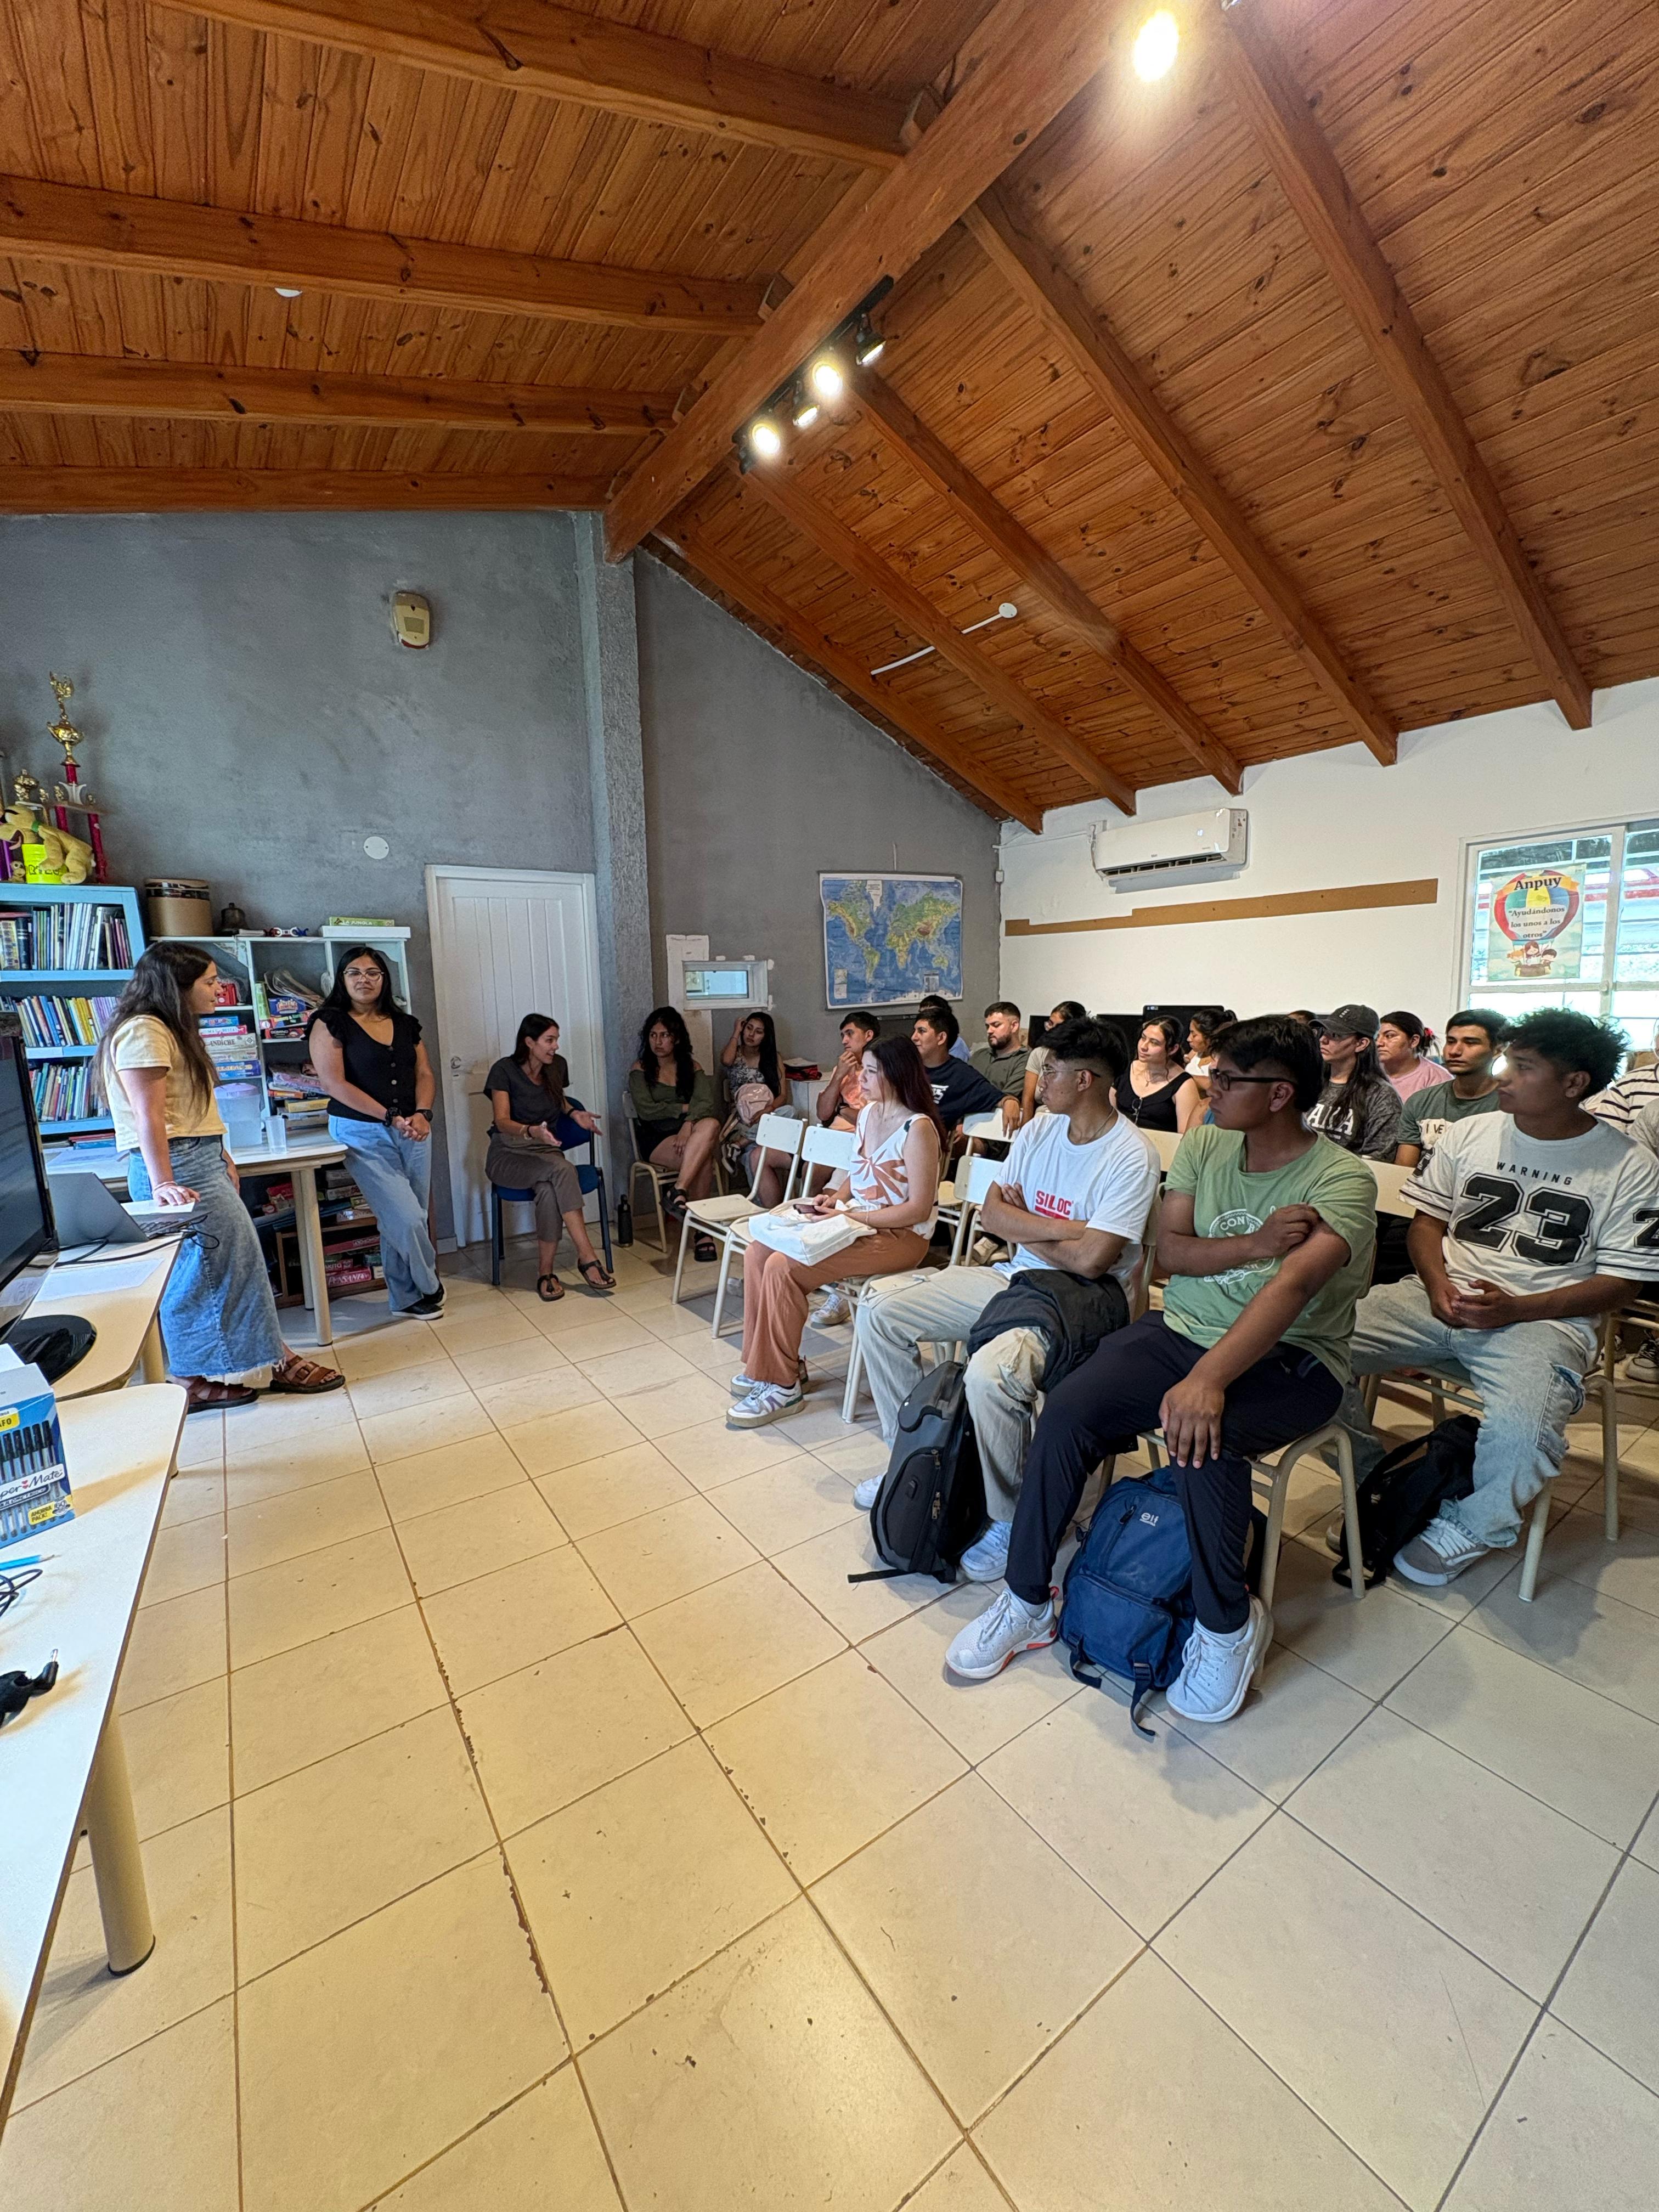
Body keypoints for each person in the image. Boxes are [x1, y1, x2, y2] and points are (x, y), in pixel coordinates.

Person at [945, 1014, 1376, 1726]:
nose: (1211, 1086)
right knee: (1069, 1408)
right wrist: (1256, 1244)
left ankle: (1226, 1624)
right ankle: (1026, 1597)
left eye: (1228, 1078)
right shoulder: (1208, 1140)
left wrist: (1209, 1380)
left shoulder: (1342, 1179)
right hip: (1183, 1330)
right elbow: (1170, 1252)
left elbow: (1293, 1288)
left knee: (1202, 1436)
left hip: (1295, 1356)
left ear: (1279, 1094)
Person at [1336, 1009, 1659, 1587]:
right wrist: (1437, 1283)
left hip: (1545, 1320)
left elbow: (1624, 1283)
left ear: (1574, 1083)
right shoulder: (1472, 1133)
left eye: (1524, 1067)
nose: (1504, 1076)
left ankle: (1476, 1524)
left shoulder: (1630, 1165)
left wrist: (1517, 1308)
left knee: (1524, 1432)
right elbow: (1426, 1225)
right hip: (1437, 1296)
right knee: (1306, 1343)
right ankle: (1371, 1475)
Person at [853, 1017, 1159, 1578]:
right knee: (878, 1308)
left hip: (1080, 1300)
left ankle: (1009, 1515)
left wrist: (1029, 1225)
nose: (1039, 1081)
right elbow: (992, 1216)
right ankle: (913, 1458)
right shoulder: (1041, 1130)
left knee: (990, 1375)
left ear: (1086, 1080)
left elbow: (1094, 1263)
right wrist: (1070, 1229)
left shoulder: (1131, 1154)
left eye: (1052, 1071)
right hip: (1014, 1276)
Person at [98, 943, 344, 1411]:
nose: (218, 990)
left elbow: (189, 1108)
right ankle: (221, 1371)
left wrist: (222, 1153)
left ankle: (242, 1364)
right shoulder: (145, 1030)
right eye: (209, 982)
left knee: (228, 1264)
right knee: (206, 1271)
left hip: (198, 1157)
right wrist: (163, 1182)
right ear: (177, 986)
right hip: (178, 1165)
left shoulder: (172, 1029)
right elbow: (150, 1117)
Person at [728, 1036, 944, 1429]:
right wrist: (835, 1200)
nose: (861, 1079)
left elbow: (919, 1208)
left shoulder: (919, 1128)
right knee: (759, 1252)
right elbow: (856, 1175)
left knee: (783, 1267)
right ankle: (770, 1366)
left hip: (900, 1237)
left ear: (896, 1075)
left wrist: (858, 1217)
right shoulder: (869, 1114)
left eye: (871, 1072)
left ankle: (783, 1384)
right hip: (858, 1222)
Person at [308, 946, 445, 1318]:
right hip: (361, 1132)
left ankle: (405, 1299)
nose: (364, 979)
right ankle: (429, 1283)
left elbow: (425, 1073)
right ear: (342, 979)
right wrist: (389, 1116)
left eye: (373, 973)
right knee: (407, 1217)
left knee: (405, 1215)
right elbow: (334, 1084)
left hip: (414, 1129)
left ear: (384, 979)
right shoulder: (329, 1022)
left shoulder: (405, 1023)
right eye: (354, 972)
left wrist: (423, 1113)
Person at [483, 1013, 614, 1302]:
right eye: (549, 1040)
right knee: (563, 1170)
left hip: (546, 1152)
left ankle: (546, 1273)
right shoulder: (504, 1070)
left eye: (556, 1040)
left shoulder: (557, 1066)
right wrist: (531, 1131)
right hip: (509, 1152)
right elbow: (502, 1121)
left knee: (548, 1189)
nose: (555, 1046)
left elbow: (557, 1098)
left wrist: (573, 1113)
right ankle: (587, 1257)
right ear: (529, 1042)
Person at [628, 1006, 721, 1260]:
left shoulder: (691, 1067)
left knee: (711, 1124)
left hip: (690, 1135)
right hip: (656, 1138)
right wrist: (684, 1108)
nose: (658, 1042)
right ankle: (702, 1232)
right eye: (653, 1035)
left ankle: (678, 1190)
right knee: (704, 1161)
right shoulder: (641, 1069)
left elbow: (705, 1103)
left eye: (664, 1035)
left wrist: (688, 1125)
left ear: (677, 1038)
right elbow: (647, 1110)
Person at [1395, 1008, 1506, 1170]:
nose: (1455, 1051)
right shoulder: (1420, 1102)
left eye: (1470, 1043)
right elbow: (1403, 1171)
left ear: (1498, 1049)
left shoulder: (1513, 1108)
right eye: (1451, 1041)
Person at [1305, 1005, 1403, 1159]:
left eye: (1335, 1035)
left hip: (1347, 1173)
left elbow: (1379, 1157)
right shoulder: (1310, 1081)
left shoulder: (1380, 1095)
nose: (1323, 1040)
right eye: (1324, 1032)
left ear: (1361, 1044)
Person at [718, 1010, 794, 1206]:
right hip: (741, 1121)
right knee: (755, 1153)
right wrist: (736, 1032)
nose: (751, 1035)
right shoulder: (735, 1054)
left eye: (758, 1032)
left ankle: (740, 1145)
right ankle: (763, 1208)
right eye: (749, 1029)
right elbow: (726, 1061)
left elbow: (782, 1096)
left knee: (790, 1112)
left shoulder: (773, 1058)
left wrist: (768, 1110)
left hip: (766, 1118)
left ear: (766, 1036)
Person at [912, 1007, 1014, 1137]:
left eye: (921, 1031)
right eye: (915, 1031)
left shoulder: (961, 1075)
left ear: (941, 1038)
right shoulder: (908, 1068)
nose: (914, 1037)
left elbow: (999, 1098)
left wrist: (1010, 1102)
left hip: (927, 1142)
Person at [1116, 1016, 1204, 1133]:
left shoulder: (1183, 1084)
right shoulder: (1127, 1068)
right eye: (1143, 1038)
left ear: (1173, 1049)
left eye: (1154, 1043)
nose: (1143, 1047)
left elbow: (1186, 1137)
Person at [1019, 1000, 1086, 1124]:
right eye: (1050, 1023)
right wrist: (1024, 1129)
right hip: (1042, 1118)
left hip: (1072, 1121)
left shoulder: (1085, 1059)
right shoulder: (1039, 1053)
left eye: (1058, 1027)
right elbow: (1028, 1099)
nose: (1051, 1030)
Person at [816, 1011, 880, 1132]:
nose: (844, 1041)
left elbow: (872, 1121)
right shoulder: (843, 1067)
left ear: (868, 1035)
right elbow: (823, 1114)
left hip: (862, 1134)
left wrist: (841, 1108)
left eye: (850, 1034)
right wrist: (838, 1075)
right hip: (834, 1132)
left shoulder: (881, 1070)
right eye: (843, 1036)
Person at [970, 1002, 1030, 1121]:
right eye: (987, 1026)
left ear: (1014, 1026)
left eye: (996, 1025)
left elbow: (1006, 1098)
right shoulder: (978, 1056)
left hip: (994, 1123)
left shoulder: (1025, 1059)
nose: (989, 1031)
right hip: (961, 1120)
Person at [1377, 1010, 1447, 1102]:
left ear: (1414, 1041)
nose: (1379, 1043)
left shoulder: (1437, 1079)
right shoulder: (1367, 1071)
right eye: (1376, 1037)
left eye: (1389, 1036)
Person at [1185, 1009, 1235, 1105]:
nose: (1189, 1039)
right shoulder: (1195, 1053)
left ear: (1209, 1038)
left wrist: (1184, 1078)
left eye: (1194, 1035)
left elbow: (1211, 1084)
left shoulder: (1223, 1058)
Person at [919, 995, 971, 1062]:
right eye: (922, 1014)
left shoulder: (957, 1045)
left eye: (931, 1014)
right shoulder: (920, 1040)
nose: (924, 1018)